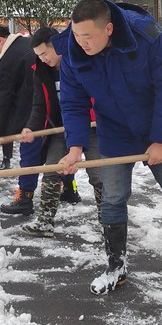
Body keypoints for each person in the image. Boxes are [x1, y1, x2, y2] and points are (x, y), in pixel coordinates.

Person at [54, 0, 162, 298]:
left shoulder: (146, 36)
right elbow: (72, 102)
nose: (81, 44)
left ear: (108, 28)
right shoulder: (72, 49)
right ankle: (115, 266)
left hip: (157, 127)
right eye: (77, 36)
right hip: (115, 133)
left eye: (88, 37)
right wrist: (75, 146)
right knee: (112, 199)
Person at [20, 27, 102, 238]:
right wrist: (31, 127)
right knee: (52, 169)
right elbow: (39, 105)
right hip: (62, 127)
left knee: (100, 174)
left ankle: (108, 222)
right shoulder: (40, 71)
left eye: (44, 53)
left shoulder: (80, 61)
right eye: (38, 55)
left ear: (56, 46)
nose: (43, 59)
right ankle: (46, 221)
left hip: (93, 125)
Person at [0, 24, 41, 215]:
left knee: (29, 154)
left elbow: (3, 96)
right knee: (56, 152)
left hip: (33, 114)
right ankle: (70, 189)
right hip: (52, 108)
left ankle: (25, 198)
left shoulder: (9, 58)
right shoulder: (29, 43)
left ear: (0, 40)